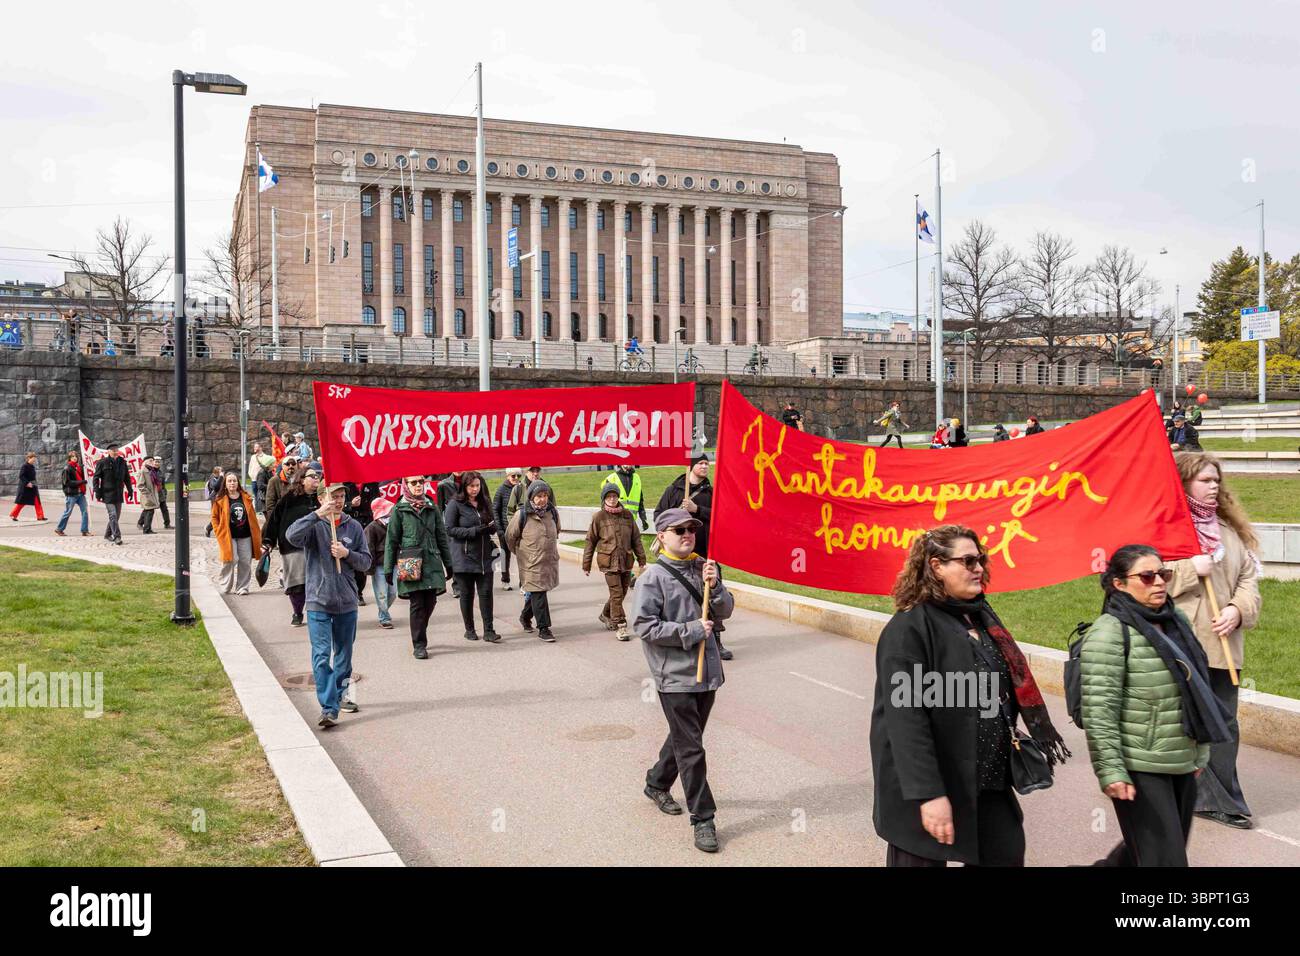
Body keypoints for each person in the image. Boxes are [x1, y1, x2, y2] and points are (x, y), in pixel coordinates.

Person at [871, 525, 1069, 866]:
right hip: (928, 784)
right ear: (936, 567)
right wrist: (929, 795)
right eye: (967, 561)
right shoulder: (909, 629)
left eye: (980, 559)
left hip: (986, 780)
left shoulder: (979, 618)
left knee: (1005, 854)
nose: (978, 568)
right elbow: (905, 723)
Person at [1081, 545, 1230, 866]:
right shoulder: (1109, 633)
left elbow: (1197, 692)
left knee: (1145, 856)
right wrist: (1111, 770)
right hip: (1140, 764)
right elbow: (1099, 712)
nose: (1160, 582)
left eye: (1163, 574)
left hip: (1181, 759)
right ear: (1119, 584)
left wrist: (1200, 751)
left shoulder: (1176, 621)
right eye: (1147, 577)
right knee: (1166, 861)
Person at [630, 507, 735, 853]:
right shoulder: (652, 579)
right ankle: (703, 818)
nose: (687, 534)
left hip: (707, 675)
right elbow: (644, 626)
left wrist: (715, 585)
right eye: (679, 530)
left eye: (691, 529)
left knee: (686, 739)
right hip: (674, 678)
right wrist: (690, 630)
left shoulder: (702, 567)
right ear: (661, 537)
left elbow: (726, 609)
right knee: (692, 748)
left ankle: (657, 781)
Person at [1167, 452, 1261, 831]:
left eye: (1216, 480)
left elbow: (1249, 579)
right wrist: (1192, 568)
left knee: (1223, 724)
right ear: (1185, 482)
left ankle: (1219, 799)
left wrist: (1238, 609)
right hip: (1179, 647)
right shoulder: (1167, 528)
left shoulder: (1228, 532)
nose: (1214, 486)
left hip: (1223, 647)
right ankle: (1161, 788)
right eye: (1205, 480)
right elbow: (1142, 579)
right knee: (1176, 725)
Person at [286, 481, 372, 728]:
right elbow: (292, 536)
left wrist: (347, 554)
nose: (338, 500)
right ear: (322, 497)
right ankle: (328, 708)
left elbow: (366, 562)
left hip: (346, 601)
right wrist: (316, 515)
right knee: (322, 656)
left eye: (342, 495)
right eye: (333, 496)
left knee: (343, 656)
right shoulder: (314, 526)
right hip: (318, 601)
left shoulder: (353, 527)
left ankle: (338, 696)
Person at [656, 452, 731, 660]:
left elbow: (720, 515)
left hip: (705, 552)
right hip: (678, 557)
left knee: (712, 596)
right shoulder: (674, 490)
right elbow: (659, 516)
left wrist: (697, 509)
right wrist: (677, 514)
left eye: (707, 463)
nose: (706, 467)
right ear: (690, 467)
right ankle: (683, 636)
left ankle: (716, 640)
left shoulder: (711, 492)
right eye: (701, 463)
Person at [384, 476, 454, 658]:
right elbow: (391, 541)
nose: (417, 485)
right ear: (406, 485)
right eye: (413, 482)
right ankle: (419, 644)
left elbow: (442, 537)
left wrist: (449, 563)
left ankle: (420, 630)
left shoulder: (431, 506)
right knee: (417, 604)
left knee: (430, 601)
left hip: (431, 559)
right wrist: (387, 568)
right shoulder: (399, 509)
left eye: (420, 482)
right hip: (410, 561)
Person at [583, 481, 648, 640]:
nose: (612, 499)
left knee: (622, 592)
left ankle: (606, 613)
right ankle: (621, 625)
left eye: (615, 496)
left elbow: (636, 539)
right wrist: (586, 564)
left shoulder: (627, 515)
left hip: (625, 560)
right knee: (617, 593)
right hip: (608, 561)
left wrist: (641, 558)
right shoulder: (599, 517)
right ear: (604, 498)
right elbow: (590, 541)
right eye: (609, 496)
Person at [443, 471, 500, 642]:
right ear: (465, 486)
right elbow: (450, 529)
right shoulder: (455, 504)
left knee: (486, 593)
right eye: (471, 486)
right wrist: (474, 531)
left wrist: (492, 528)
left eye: (477, 486)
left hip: (484, 556)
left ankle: (489, 631)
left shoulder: (484, 502)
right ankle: (469, 629)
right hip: (464, 556)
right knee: (467, 595)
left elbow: (493, 522)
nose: (475, 489)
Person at [263, 463, 322, 626]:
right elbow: (274, 519)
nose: (317, 478)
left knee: (317, 580)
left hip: (317, 546)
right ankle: (297, 611)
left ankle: (315, 612)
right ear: (302, 480)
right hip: (292, 547)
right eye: (312, 476)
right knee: (297, 582)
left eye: (318, 476)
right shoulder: (289, 498)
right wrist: (268, 540)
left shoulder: (323, 498)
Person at [507, 479, 560, 642]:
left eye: (545, 495)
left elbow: (557, 531)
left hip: (548, 561)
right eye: (539, 496)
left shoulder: (553, 513)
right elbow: (510, 537)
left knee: (539, 592)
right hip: (530, 562)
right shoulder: (521, 514)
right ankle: (544, 628)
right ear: (531, 497)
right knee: (539, 592)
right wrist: (521, 553)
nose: (543, 499)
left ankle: (525, 616)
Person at [211, 472, 261, 595]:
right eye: (229, 481)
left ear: (238, 483)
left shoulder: (246, 497)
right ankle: (225, 586)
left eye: (234, 481)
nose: (232, 483)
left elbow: (252, 516)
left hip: (245, 535)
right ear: (225, 484)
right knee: (230, 560)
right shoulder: (220, 499)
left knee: (245, 561)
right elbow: (214, 517)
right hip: (228, 535)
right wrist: (218, 531)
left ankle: (242, 587)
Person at [364, 498, 398, 629]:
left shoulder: (393, 525)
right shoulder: (371, 528)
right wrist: (369, 569)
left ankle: (383, 611)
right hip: (379, 566)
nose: (390, 514)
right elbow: (369, 548)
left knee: (393, 593)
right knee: (382, 593)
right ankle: (384, 617)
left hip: (393, 564)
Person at [492, 468, 524, 590]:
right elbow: (495, 509)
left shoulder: (522, 489)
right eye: (513, 476)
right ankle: (505, 580)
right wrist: (499, 529)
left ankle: (523, 583)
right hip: (505, 529)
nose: (516, 478)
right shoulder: (501, 490)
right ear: (508, 476)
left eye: (518, 476)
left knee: (522, 556)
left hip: (520, 528)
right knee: (505, 555)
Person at [93, 443, 130, 545]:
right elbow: (96, 478)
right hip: (107, 493)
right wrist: (97, 491)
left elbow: (127, 477)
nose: (115, 451)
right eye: (113, 450)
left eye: (116, 449)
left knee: (116, 517)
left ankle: (107, 534)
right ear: (108, 451)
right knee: (113, 515)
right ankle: (117, 536)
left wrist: (130, 490)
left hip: (118, 493)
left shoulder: (122, 462)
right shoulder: (102, 462)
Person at [597, 463, 648, 531]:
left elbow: (640, 500)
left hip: (631, 521)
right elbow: (604, 501)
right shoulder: (612, 478)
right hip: (614, 521)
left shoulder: (637, 478)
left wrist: (643, 518)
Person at [54, 450, 90, 537]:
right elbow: (67, 483)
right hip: (71, 494)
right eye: (73, 456)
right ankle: (59, 529)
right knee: (68, 512)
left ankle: (84, 530)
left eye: (76, 456)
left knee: (85, 511)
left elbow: (83, 477)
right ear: (69, 458)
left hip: (80, 494)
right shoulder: (67, 468)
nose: (75, 458)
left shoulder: (78, 467)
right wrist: (81, 482)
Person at [10, 452, 46, 522]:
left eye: (35, 459)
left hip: (33, 487)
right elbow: (21, 476)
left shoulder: (32, 466)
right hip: (25, 488)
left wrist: (34, 484)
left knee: (37, 502)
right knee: (21, 503)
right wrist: (27, 483)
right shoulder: (24, 466)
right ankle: (13, 515)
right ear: (28, 458)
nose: (34, 460)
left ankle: (40, 516)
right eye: (33, 458)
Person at [261, 455, 298, 522]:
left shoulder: (301, 479)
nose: (290, 466)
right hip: (281, 519)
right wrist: (274, 520)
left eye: (293, 464)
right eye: (287, 464)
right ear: (283, 466)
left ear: (296, 466)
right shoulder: (274, 480)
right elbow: (270, 504)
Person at [136, 456, 163, 534]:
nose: (152, 462)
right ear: (146, 462)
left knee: (149, 511)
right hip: (147, 496)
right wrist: (147, 493)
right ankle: (147, 529)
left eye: (152, 460)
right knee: (149, 511)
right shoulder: (143, 471)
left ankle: (147, 528)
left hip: (152, 495)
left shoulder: (151, 471)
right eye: (150, 461)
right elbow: (140, 485)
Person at [203, 465, 224, 538]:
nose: (222, 473)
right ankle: (209, 528)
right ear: (216, 473)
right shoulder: (212, 479)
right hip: (215, 501)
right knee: (217, 516)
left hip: (222, 500)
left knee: (222, 516)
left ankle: (220, 532)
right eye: (220, 472)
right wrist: (221, 477)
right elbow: (216, 487)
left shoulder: (222, 478)